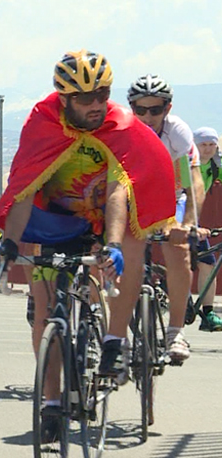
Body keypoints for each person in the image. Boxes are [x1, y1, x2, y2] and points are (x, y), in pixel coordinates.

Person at [0, 51, 176, 444]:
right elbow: (24, 187)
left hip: (108, 217)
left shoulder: (120, 124)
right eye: (85, 98)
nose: (96, 105)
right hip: (58, 220)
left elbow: (118, 190)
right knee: (45, 312)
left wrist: (113, 245)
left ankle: (113, 340)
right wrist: (9, 243)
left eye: (102, 94)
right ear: (64, 99)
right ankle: (51, 402)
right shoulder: (42, 122)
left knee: (134, 244)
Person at [128, 74, 206, 359]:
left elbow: (193, 182)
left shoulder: (177, 132)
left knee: (178, 249)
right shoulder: (123, 130)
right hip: (134, 200)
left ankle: (176, 332)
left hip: (170, 200)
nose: (148, 117)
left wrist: (189, 224)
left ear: (167, 109)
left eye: (155, 110)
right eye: (141, 110)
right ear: (132, 108)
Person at [192, 127, 222, 331]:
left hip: (195, 221)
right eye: (203, 144)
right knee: (180, 262)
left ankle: (208, 313)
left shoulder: (216, 165)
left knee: (208, 263)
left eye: (212, 144)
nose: (208, 149)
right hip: (176, 216)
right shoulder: (185, 163)